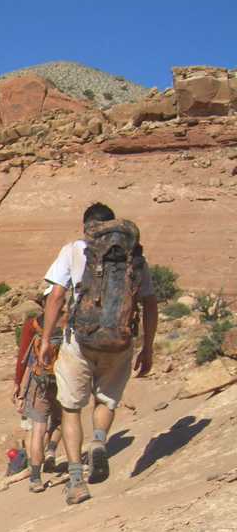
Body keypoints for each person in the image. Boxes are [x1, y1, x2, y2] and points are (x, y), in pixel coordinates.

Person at [38, 202, 159, 505]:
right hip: (120, 341)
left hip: (80, 339)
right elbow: (150, 304)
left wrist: (45, 341)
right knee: (105, 399)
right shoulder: (134, 255)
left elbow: (55, 296)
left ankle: (77, 480)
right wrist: (147, 347)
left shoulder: (75, 249)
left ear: (87, 227)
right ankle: (99, 441)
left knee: (71, 408)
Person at [9, 314, 63, 491]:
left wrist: (18, 386)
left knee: (36, 430)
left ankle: (35, 477)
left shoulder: (34, 323)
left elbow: (23, 357)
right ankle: (53, 453)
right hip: (63, 379)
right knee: (64, 421)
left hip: (39, 380)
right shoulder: (69, 318)